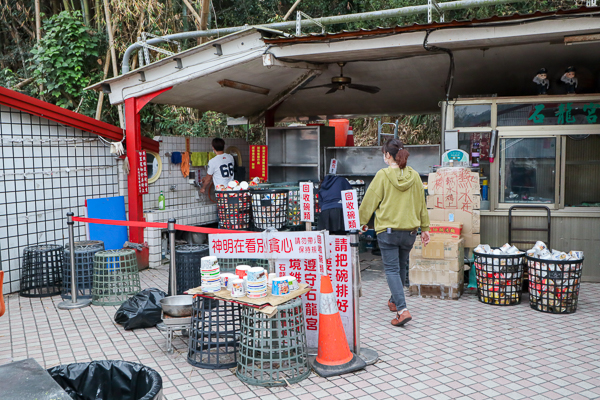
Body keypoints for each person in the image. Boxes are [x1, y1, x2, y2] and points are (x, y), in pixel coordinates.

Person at [358, 138, 430, 327]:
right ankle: (393, 301)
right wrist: (425, 228)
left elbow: (369, 202)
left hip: (388, 231)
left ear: (388, 155)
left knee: (391, 269)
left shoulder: (382, 175)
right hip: (410, 231)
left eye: (384, 153)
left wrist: (360, 223)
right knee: (400, 266)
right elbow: (421, 204)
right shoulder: (414, 176)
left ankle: (402, 309)